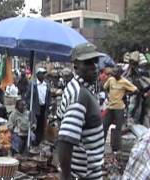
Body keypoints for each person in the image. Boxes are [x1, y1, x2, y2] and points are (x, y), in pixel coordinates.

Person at [57, 43, 104, 180]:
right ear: (76, 65)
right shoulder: (80, 95)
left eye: (95, 62)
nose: (94, 68)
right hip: (83, 175)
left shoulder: (79, 87)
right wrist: (66, 177)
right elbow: (65, 140)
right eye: (88, 63)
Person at [103, 67, 138, 152]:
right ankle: (101, 144)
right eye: (113, 73)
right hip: (110, 107)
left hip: (119, 108)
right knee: (104, 125)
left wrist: (125, 94)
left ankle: (115, 148)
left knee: (118, 128)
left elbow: (136, 90)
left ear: (120, 74)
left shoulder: (124, 82)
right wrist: (108, 96)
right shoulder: (111, 80)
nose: (114, 75)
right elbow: (104, 87)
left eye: (116, 73)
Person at [24, 67, 50, 146]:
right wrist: (29, 105)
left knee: (42, 126)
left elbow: (49, 97)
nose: (43, 76)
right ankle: (33, 142)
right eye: (41, 74)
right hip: (35, 108)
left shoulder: (47, 85)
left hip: (43, 107)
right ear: (38, 75)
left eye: (44, 74)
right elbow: (27, 96)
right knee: (34, 125)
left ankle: (39, 142)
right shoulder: (33, 84)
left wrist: (49, 106)